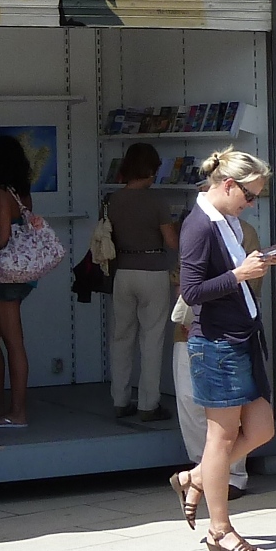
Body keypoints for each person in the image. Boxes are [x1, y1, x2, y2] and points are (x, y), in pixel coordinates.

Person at [168, 150, 276, 551]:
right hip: (216, 342)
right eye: (250, 195)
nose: (252, 204)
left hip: (241, 336)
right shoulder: (198, 226)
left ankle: (197, 477)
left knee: (262, 427)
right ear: (228, 184)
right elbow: (192, 291)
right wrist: (239, 274)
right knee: (221, 436)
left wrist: (252, 266)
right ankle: (220, 528)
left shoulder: (227, 220)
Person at [168, 203, 268, 499]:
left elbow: (252, 285)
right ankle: (203, 471)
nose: (249, 202)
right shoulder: (195, 226)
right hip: (192, 326)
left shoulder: (244, 232)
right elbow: (184, 281)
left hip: (228, 331)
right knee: (190, 402)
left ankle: (227, 474)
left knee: (232, 411)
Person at [106, 143, 179, 421]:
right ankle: (149, 404)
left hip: (122, 272)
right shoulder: (156, 201)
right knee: (152, 338)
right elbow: (171, 242)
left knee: (121, 337)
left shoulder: (114, 199)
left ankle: (120, 399)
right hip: (153, 271)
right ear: (150, 169)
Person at [0, 134, 41, 430]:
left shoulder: (3, 193)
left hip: (5, 277)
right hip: (17, 276)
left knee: (13, 343)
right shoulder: (21, 192)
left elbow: (0, 240)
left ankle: (16, 412)